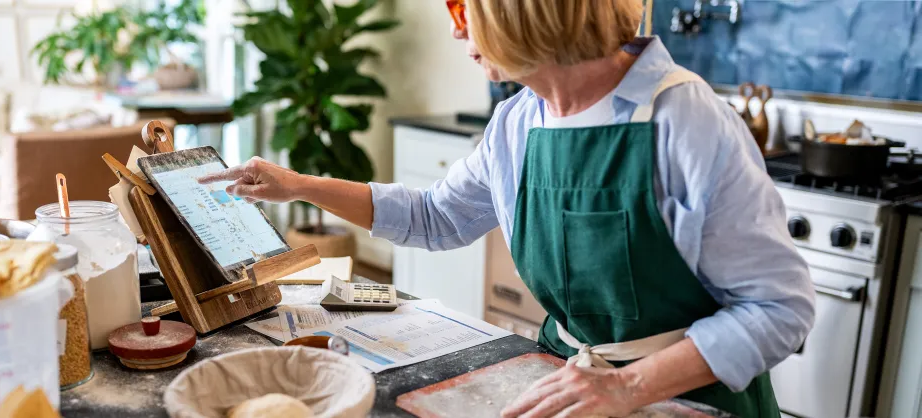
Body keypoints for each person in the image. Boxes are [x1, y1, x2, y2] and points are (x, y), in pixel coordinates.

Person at [199, 1, 815, 416]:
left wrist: (627, 386)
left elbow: (780, 309)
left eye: (463, 8)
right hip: (564, 375)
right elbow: (437, 217)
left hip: (686, 398)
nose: (454, 29)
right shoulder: (518, 122)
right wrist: (299, 184)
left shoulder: (686, 120)